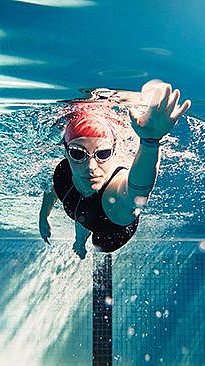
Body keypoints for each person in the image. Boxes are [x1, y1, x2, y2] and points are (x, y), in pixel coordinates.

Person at [39, 80, 191, 259]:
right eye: (78, 154)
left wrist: (150, 142)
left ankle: (81, 240)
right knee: (82, 211)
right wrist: (43, 216)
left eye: (102, 153)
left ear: (113, 151)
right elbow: (55, 189)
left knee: (100, 244)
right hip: (85, 210)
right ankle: (80, 240)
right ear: (65, 152)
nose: (91, 167)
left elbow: (138, 188)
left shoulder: (117, 199)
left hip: (111, 228)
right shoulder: (63, 172)